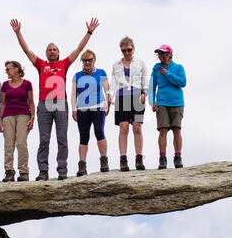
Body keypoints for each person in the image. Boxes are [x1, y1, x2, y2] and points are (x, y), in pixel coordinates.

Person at [10, 17, 99, 181]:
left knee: (62, 138)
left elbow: (79, 49)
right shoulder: (41, 65)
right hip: (44, 105)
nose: (52, 51)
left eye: (55, 50)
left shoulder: (64, 64)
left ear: (59, 53)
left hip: (60, 104)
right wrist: (18, 32)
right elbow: (26, 50)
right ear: (46, 53)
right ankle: (43, 171)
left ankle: (62, 170)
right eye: (49, 49)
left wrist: (89, 32)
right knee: (44, 139)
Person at [108, 36, 148, 171]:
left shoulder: (141, 63)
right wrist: (110, 95)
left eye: (129, 50)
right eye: (124, 50)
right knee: (123, 127)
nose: (126, 53)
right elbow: (113, 82)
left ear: (133, 49)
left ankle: (139, 157)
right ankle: (123, 158)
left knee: (137, 126)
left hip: (137, 95)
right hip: (122, 96)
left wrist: (144, 93)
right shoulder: (116, 64)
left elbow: (145, 79)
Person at [71, 49, 110, 176]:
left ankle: (104, 160)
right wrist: (73, 108)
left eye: (90, 60)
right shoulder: (77, 75)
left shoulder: (101, 72)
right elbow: (73, 94)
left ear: (94, 61)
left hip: (98, 106)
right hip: (82, 108)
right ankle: (82, 164)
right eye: (85, 60)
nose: (87, 63)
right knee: (83, 135)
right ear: (82, 61)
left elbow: (107, 90)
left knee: (99, 131)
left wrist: (107, 105)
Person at [148, 44, 187, 169]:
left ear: (170, 54)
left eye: (164, 53)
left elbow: (183, 82)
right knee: (163, 130)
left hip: (177, 103)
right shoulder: (156, 68)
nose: (161, 56)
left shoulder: (178, 67)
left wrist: (167, 74)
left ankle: (178, 157)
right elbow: (152, 87)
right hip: (162, 103)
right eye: (159, 54)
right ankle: (162, 159)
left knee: (177, 129)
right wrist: (152, 102)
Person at [0, 61, 35, 182]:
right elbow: (3, 103)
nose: (6, 71)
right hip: (8, 116)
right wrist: (0, 120)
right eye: (6, 69)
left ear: (16, 69)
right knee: (9, 144)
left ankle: (24, 172)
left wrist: (32, 117)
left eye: (8, 69)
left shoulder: (27, 84)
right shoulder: (5, 85)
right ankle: (9, 171)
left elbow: (31, 102)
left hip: (23, 115)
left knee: (21, 143)